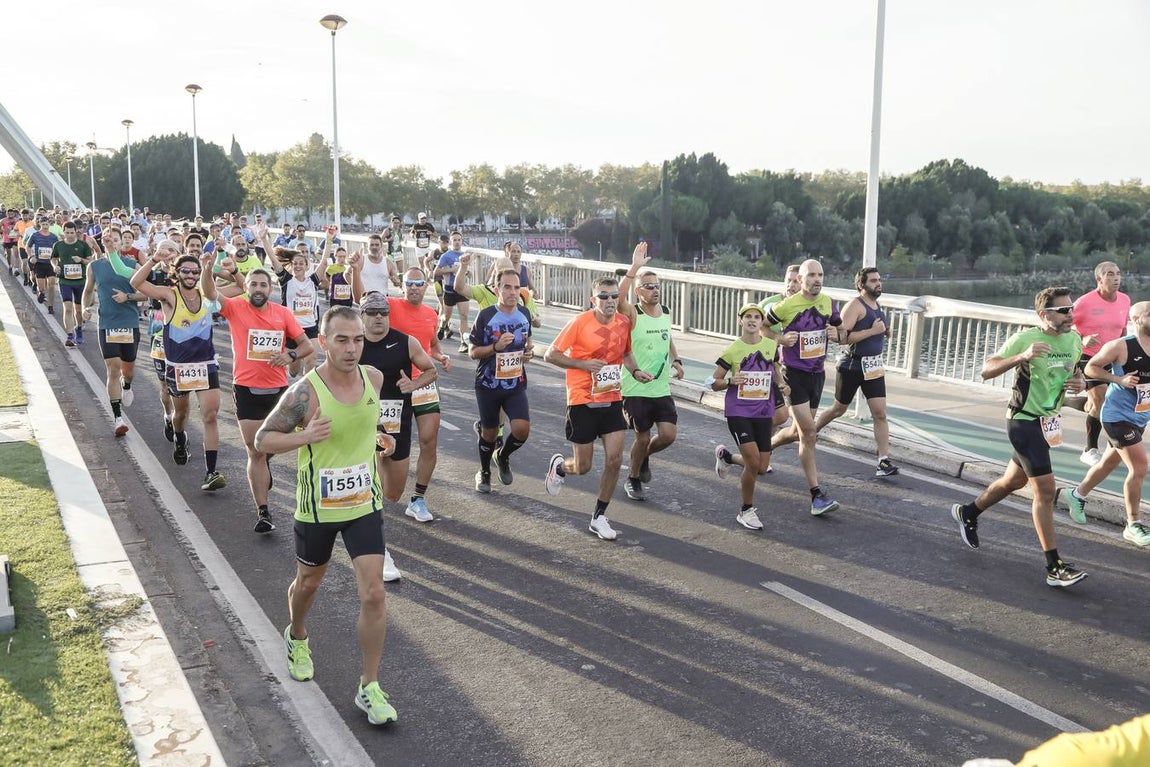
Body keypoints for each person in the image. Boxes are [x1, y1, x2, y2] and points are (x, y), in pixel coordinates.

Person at [254, 306, 399, 727]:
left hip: (363, 504)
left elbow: (366, 427)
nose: (352, 348)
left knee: (374, 593)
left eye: (357, 340)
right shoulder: (306, 392)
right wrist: (305, 436)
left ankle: (369, 686)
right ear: (323, 341)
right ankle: (297, 635)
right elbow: (264, 438)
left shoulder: (374, 378)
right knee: (309, 583)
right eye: (342, 340)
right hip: (317, 507)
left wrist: (379, 441)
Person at [949, 287, 1088, 587]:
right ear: (1044, 315)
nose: (1070, 315)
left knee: (1014, 481)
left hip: (1048, 421)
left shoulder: (1074, 339)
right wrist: (1022, 356)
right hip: (1023, 422)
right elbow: (986, 370)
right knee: (1046, 492)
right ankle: (1055, 567)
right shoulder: (1026, 339)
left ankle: (968, 512)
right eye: (1063, 311)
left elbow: (1072, 373)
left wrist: (1079, 380)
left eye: (1071, 308)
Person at [202, 258, 315, 533]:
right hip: (246, 388)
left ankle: (264, 466)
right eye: (253, 284)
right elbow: (209, 293)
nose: (258, 288)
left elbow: (306, 346)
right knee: (255, 450)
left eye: (263, 284)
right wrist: (207, 269)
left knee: (266, 450)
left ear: (270, 288)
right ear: (247, 287)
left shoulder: (283, 314)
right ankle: (263, 512)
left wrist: (289, 355)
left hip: (278, 391)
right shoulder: (235, 307)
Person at [543, 275, 654, 540]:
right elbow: (550, 354)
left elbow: (626, 353)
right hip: (582, 399)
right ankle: (560, 468)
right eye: (604, 296)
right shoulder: (580, 322)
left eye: (614, 296)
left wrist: (635, 370)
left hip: (612, 397)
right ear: (594, 299)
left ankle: (599, 516)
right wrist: (583, 365)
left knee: (615, 460)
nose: (610, 301)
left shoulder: (624, 322)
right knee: (583, 466)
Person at [130, 240, 226, 491]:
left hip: (206, 363)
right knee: (181, 414)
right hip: (179, 366)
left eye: (195, 272)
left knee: (211, 415)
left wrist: (213, 265)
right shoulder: (169, 295)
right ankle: (180, 439)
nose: (191, 276)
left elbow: (239, 287)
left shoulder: (207, 294)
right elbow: (136, 284)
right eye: (186, 271)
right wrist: (153, 259)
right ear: (177, 273)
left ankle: (211, 471)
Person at [356, 293, 438, 582]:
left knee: (392, 492)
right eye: (372, 312)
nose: (379, 317)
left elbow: (431, 370)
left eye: (383, 312)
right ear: (362, 315)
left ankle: (370, 528)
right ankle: (377, 548)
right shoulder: (354, 344)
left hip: (396, 424)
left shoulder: (405, 342)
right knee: (371, 488)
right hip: (363, 425)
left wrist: (413, 384)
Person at [1061, 301, 1150, 547]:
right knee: (1140, 467)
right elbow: (1091, 367)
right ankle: (1133, 525)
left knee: (1109, 463)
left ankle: (1076, 495)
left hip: (1140, 416)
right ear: (1136, 319)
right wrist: (1118, 379)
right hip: (1116, 417)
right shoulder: (1121, 346)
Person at [766, 259, 843, 515]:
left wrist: (837, 334)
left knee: (798, 433)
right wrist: (780, 338)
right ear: (800, 279)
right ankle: (816, 495)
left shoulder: (828, 303)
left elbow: (841, 331)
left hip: (817, 374)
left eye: (820, 274)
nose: (817, 279)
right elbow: (763, 328)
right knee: (809, 433)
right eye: (811, 275)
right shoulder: (787, 305)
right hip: (793, 374)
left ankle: (764, 447)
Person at [814, 267, 900, 477]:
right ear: (862, 285)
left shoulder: (877, 304)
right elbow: (842, 338)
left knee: (880, 413)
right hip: (852, 365)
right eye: (873, 281)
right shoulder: (855, 305)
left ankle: (883, 461)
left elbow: (878, 330)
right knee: (838, 409)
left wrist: (886, 332)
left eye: (879, 280)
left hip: (873, 367)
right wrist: (872, 331)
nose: (878, 283)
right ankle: (811, 431)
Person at [383, 267, 452, 523]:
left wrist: (441, 356)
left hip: (423, 382)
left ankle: (418, 499)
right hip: (395, 386)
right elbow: (361, 297)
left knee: (428, 439)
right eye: (409, 283)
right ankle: (376, 490)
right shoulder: (390, 305)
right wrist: (356, 271)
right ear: (402, 286)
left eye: (419, 283)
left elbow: (431, 344)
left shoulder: (430, 313)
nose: (414, 287)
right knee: (384, 443)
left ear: (425, 287)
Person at [616, 243, 684, 501]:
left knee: (668, 436)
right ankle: (633, 478)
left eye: (657, 286)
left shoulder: (665, 312)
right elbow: (619, 299)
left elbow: (668, 338)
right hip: (635, 388)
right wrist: (635, 267)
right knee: (642, 437)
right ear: (639, 291)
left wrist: (677, 360)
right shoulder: (632, 312)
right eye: (649, 286)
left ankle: (643, 458)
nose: (655, 290)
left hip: (660, 387)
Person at [712, 304, 786, 530]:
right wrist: (729, 381)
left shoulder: (771, 346)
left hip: (764, 412)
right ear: (740, 321)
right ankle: (746, 510)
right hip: (739, 411)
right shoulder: (732, 350)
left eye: (757, 317)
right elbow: (714, 382)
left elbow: (775, 369)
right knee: (753, 461)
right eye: (748, 317)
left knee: (761, 467)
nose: (752, 320)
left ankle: (727, 457)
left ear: (761, 322)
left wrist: (782, 383)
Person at [468, 267, 534, 494]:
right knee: (489, 433)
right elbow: (473, 352)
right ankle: (484, 471)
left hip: (515, 382)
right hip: (488, 384)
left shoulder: (524, 314)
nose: (513, 292)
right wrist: (496, 347)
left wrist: (528, 354)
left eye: (517, 287)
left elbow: (528, 344)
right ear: (497, 290)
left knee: (522, 429)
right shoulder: (486, 316)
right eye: (507, 287)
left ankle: (502, 456)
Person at [80, 228, 145, 437]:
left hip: (129, 323)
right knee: (113, 369)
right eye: (109, 240)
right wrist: (84, 308)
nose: (112, 243)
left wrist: (128, 297)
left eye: (116, 240)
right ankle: (118, 418)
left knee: (128, 371)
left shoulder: (130, 265)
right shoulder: (94, 266)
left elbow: (145, 294)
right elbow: (88, 291)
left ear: (120, 244)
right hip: (107, 323)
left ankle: (127, 386)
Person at [1072, 261, 1130, 466]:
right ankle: (1090, 449)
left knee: (1110, 401)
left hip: (1113, 357)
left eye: (1118, 273)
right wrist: (1081, 339)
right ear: (1099, 279)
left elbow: (1123, 331)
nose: (1116, 278)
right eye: (1110, 274)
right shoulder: (1084, 302)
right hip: (1089, 357)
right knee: (1100, 398)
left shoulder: (1125, 300)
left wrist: (1125, 353)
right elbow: (1061, 327)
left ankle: (1073, 403)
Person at [272, 247, 324, 377]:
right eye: (295, 263)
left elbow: (323, 262)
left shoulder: (313, 281)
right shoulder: (286, 280)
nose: (298, 266)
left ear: (307, 267)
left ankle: (308, 388)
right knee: (295, 368)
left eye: (301, 264)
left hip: (310, 327)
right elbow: (273, 259)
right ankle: (292, 374)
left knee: (311, 360)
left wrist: (329, 240)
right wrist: (264, 239)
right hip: (292, 329)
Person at [51, 220, 94, 348]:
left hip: (80, 281)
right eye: (67, 233)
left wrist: (80, 260)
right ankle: (69, 335)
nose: (69, 235)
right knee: (68, 308)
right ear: (63, 232)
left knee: (79, 311)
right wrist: (55, 266)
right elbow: (53, 258)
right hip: (65, 281)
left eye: (72, 232)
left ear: (76, 232)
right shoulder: (58, 245)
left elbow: (90, 262)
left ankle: (79, 328)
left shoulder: (83, 245)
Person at [433, 231, 471, 353]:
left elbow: (466, 271)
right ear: (451, 242)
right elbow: (436, 272)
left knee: (464, 316)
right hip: (449, 289)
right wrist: (451, 269)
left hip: (462, 289)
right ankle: (443, 326)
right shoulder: (446, 256)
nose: (457, 242)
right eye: (454, 240)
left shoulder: (465, 256)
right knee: (446, 317)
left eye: (459, 240)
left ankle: (464, 343)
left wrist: (467, 273)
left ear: (461, 241)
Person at [27, 217, 59, 312]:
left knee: (52, 285)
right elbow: (27, 247)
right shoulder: (35, 235)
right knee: (41, 287)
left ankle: (51, 306)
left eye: (47, 224)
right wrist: (32, 256)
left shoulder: (53, 237)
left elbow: (57, 250)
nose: (45, 226)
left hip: (50, 264)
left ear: (49, 224)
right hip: (39, 264)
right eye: (43, 224)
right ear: (40, 224)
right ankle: (41, 293)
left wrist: (57, 261)